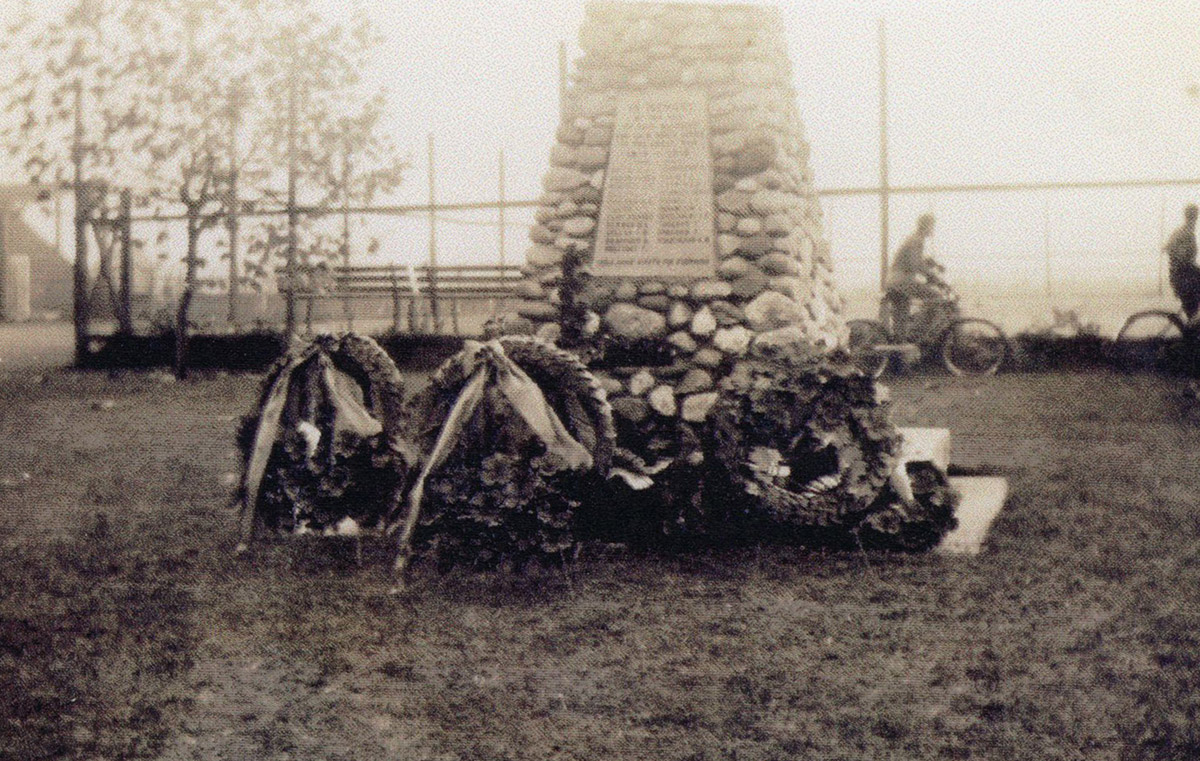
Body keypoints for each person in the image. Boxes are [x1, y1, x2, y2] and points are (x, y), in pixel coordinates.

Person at [885, 214, 953, 340]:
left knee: (901, 319)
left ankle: (902, 341)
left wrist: (934, 264)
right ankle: (917, 333)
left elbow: (916, 259)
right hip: (902, 281)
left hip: (896, 281)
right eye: (932, 226)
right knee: (936, 297)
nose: (933, 230)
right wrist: (937, 280)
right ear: (926, 226)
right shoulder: (916, 240)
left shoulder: (913, 239)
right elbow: (915, 264)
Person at [1166, 204, 1200, 323]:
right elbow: (1179, 256)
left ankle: (1192, 332)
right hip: (1183, 277)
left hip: (1183, 275)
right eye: (1193, 216)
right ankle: (1192, 337)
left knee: (1192, 312)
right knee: (1192, 312)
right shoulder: (1185, 233)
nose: (1194, 219)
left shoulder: (1184, 232)